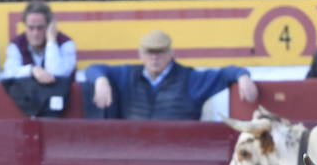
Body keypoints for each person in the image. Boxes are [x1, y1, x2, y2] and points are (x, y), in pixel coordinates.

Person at [84, 29, 259, 120]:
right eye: (149, 52)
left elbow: (225, 74)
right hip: (134, 150)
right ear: (140, 54)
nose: (154, 57)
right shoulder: (128, 75)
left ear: (170, 53)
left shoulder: (190, 79)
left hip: (180, 151)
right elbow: (93, 68)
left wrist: (242, 76)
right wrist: (100, 80)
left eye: (159, 52)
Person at [0, 0, 75, 117]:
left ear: (49, 26)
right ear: (25, 27)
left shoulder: (65, 43)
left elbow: (57, 73)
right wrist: (32, 70)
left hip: (60, 111)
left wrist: (51, 41)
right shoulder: (16, 44)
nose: (35, 33)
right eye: (31, 28)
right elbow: (8, 73)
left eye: (40, 28)